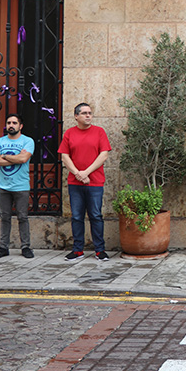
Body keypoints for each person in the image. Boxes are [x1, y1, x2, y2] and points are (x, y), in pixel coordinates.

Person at [59, 103, 111, 261]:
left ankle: (99, 250)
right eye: (84, 113)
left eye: (90, 113)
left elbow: (104, 155)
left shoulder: (99, 132)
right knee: (76, 217)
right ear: (76, 116)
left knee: (95, 215)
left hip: (95, 183)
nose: (88, 115)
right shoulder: (69, 133)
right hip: (76, 184)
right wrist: (78, 174)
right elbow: (64, 156)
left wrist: (86, 173)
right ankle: (77, 250)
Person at [0, 114, 35, 259]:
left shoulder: (28, 141)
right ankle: (3, 247)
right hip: (3, 186)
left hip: (21, 186)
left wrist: (4, 156)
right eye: (9, 122)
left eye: (14, 123)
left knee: (23, 217)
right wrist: (15, 159)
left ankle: (26, 247)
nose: (11, 125)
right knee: (4, 217)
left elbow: (23, 158)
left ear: (20, 126)